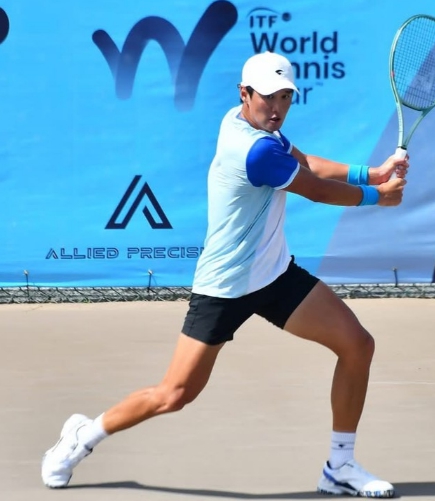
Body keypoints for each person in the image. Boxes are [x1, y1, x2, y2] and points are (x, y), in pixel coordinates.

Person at [41, 51, 408, 498]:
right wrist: (377, 196)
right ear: (244, 93)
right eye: (268, 97)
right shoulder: (255, 149)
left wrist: (372, 173)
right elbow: (313, 189)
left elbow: (306, 162)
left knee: (357, 345)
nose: (277, 107)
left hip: (274, 276)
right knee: (174, 394)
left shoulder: (256, 127)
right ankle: (84, 435)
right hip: (226, 287)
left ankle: (340, 466)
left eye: (285, 98)